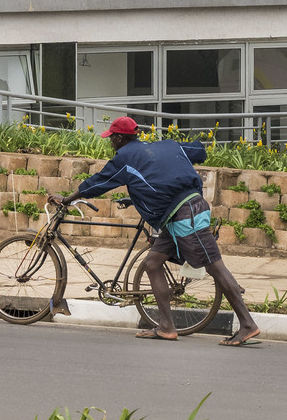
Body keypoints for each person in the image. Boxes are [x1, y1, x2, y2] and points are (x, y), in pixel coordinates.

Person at [70, 114, 259, 345]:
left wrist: (67, 198)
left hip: (186, 214)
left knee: (216, 267)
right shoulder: (167, 145)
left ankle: (247, 324)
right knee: (151, 263)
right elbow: (198, 151)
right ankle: (167, 327)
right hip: (178, 214)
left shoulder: (125, 157)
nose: (110, 142)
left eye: (112, 138)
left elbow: (98, 182)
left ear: (119, 138)